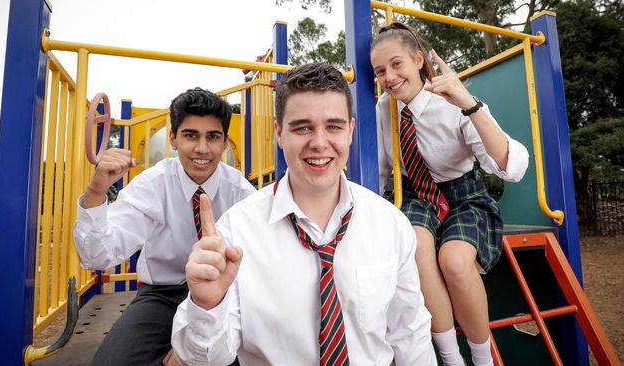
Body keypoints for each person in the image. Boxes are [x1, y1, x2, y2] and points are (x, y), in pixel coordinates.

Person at [169, 63, 437, 366]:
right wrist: (207, 306)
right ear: (280, 134)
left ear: (350, 131)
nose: (319, 143)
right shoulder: (235, 232)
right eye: (302, 127)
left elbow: (411, 336)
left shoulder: (390, 225)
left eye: (333, 127)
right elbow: (206, 360)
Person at [370, 22, 529, 366]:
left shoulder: (453, 101)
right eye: (380, 71)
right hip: (414, 194)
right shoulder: (384, 108)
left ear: (417, 60)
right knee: (415, 247)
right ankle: (450, 358)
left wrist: (469, 105)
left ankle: (483, 358)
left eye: (397, 64)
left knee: (455, 263)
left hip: (462, 194)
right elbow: (383, 169)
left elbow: (511, 167)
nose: (390, 77)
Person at [73, 87, 256, 366]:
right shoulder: (153, 184)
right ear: (173, 138)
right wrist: (96, 191)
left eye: (213, 137)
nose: (202, 148)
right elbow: (96, 256)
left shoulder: (240, 191)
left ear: (224, 143)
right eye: (191, 135)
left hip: (224, 295)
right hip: (163, 294)